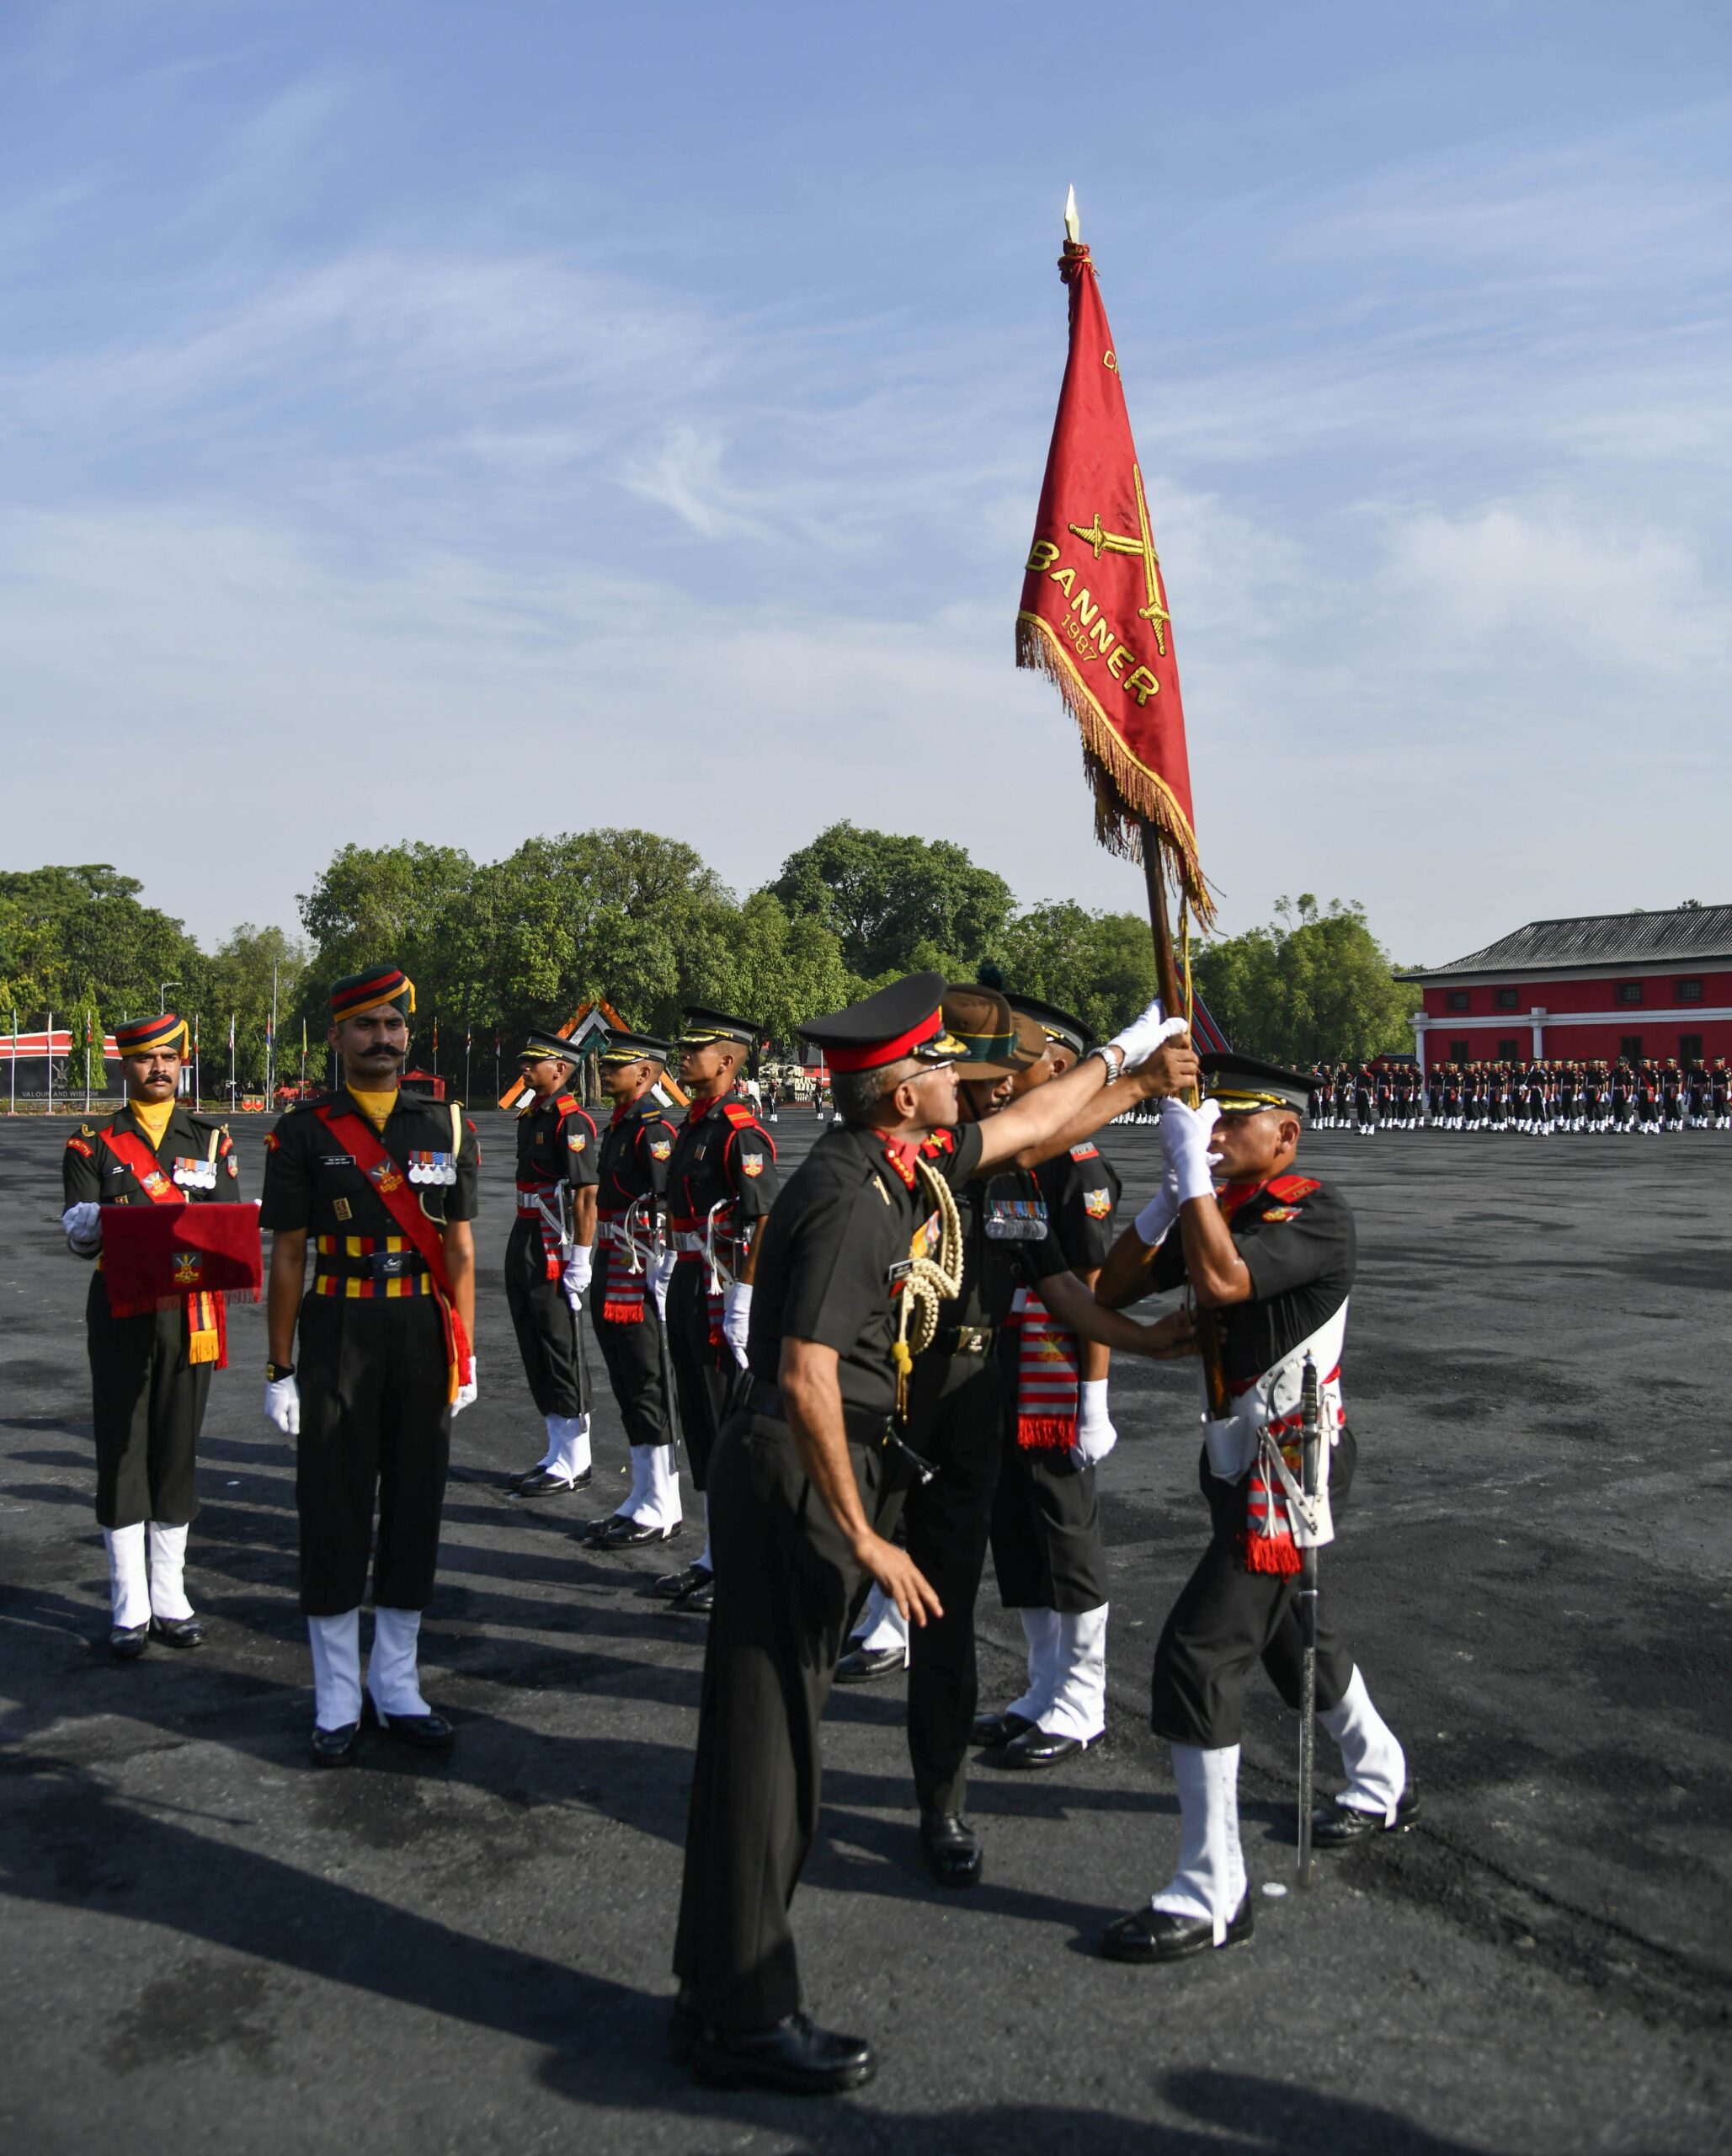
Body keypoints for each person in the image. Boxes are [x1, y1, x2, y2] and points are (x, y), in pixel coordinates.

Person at [669, 973, 1196, 2095]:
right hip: (800, 1470)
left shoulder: (900, 1164)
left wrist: (1139, 1067)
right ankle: (743, 2016)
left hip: (826, 1459)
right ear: (903, 1096)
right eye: (940, 1071)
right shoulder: (852, 1197)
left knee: (766, 1752)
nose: (962, 1081)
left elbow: (1033, 1122)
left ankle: (713, 1992)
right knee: (772, 1759)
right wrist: (864, 1537)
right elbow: (807, 1372)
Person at [1094, 1051, 1415, 1965]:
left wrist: (1193, 1179)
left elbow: (1228, 1283)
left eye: (1235, 1117)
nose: (1217, 1128)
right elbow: (1115, 1288)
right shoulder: (1217, 1208)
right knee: (1289, 1638)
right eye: (1209, 1116)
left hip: (1291, 1463)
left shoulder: (1313, 1211)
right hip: (1235, 1454)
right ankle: (1382, 1775)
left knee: (1199, 1649)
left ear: (1286, 1131)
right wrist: (1164, 1197)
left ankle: (1210, 1885)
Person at [259, 963, 480, 1768]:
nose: (380, 1039)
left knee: (417, 1501)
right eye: (365, 1026)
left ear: (406, 1034)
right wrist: (279, 1368)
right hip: (337, 1328)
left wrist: (468, 1349)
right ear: (337, 1037)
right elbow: (288, 1256)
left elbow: (457, 1249)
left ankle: (397, 1685)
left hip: (423, 1328)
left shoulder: (448, 1125)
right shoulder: (303, 1130)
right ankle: (335, 1696)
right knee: (334, 1506)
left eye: (392, 1025)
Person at [61, 1011, 239, 1659]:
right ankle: (128, 1602)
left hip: (191, 1315)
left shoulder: (212, 1140)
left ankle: (170, 1594)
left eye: (168, 1057)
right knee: (123, 1446)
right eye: (144, 1058)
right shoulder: (93, 1142)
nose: (158, 1068)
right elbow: (81, 1237)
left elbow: (227, 1226)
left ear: (181, 1062)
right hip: (122, 1310)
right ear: (124, 1066)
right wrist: (103, 1222)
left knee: (177, 1447)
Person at [978, 993, 1123, 1770]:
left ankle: (1083, 1700)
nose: (1002, 1073)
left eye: (1019, 1056)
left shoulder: (1078, 1166)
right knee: (1018, 1533)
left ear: (1061, 1068)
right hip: (1000, 1364)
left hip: (1055, 1374)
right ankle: (1040, 1687)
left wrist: (1095, 1400)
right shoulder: (1006, 1157)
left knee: (1066, 1538)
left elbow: (1094, 1289)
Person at [649, 1007, 777, 1616]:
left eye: (694, 1049)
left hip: (721, 1285)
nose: (682, 1055)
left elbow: (759, 1221)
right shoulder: (696, 1124)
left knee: (729, 1424)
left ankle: (744, 1560)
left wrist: (744, 1302)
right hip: (687, 1274)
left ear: (725, 1061)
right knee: (698, 1414)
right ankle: (714, 1552)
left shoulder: (737, 1131)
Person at [582, 1028, 684, 1550]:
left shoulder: (653, 1129)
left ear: (645, 1073)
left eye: (614, 1065)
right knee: (625, 1379)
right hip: (613, 1260)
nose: (604, 1071)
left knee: (648, 1380)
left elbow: (668, 1202)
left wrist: (662, 1267)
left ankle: (664, 1502)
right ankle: (642, 1491)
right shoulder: (621, 1127)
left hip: (640, 1267)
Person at [501, 1029, 600, 1499]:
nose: (524, 1068)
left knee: (560, 1343)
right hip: (525, 1233)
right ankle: (556, 1447)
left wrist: (581, 1258)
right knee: (532, 1338)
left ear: (559, 1068)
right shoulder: (532, 1114)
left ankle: (576, 1456)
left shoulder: (570, 1119)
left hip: (552, 1240)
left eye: (533, 1061)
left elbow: (585, 1194)